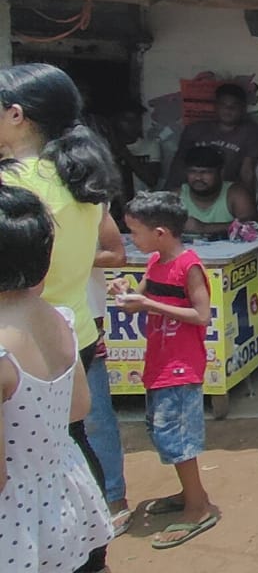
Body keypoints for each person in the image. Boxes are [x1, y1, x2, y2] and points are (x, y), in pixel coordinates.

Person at [0, 62, 121, 572]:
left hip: (17, 334)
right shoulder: (81, 180)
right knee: (66, 443)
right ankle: (87, 540)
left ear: (16, 115)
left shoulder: (14, 187)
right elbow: (107, 248)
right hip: (71, 331)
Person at [109, 192, 219, 550]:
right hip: (159, 362)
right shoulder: (155, 261)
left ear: (160, 232)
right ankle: (191, 493)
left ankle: (198, 507)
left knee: (177, 438)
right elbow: (137, 303)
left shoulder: (188, 267)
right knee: (165, 435)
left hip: (181, 366)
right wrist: (124, 293)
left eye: (135, 232)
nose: (132, 240)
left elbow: (201, 316)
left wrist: (148, 303)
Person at [85, 205, 132, 537]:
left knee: (94, 415)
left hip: (82, 318)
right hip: (22, 316)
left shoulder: (88, 199)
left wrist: (68, 256)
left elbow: (116, 255)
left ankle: (113, 498)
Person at [165, 83, 258, 193]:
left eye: (234, 106)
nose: (228, 109)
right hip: (191, 190)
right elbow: (179, 164)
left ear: (243, 108)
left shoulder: (249, 131)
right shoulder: (195, 129)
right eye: (223, 105)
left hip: (226, 192)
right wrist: (171, 193)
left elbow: (247, 171)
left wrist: (248, 201)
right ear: (215, 106)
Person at [177, 145, 258, 235]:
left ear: (221, 172)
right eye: (192, 171)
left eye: (206, 172)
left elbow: (253, 225)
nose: (198, 177)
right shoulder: (176, 196)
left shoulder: (236, 194)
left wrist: (204, 228)